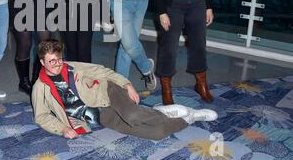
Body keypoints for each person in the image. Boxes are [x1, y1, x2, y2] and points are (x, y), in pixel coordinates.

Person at [31, 40, 218, 140]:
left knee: (133, 116)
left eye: (59, 59)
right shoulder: (40, 88)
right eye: (51, 61)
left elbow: (103, 71)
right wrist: (61, 128)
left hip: (108, 92)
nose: (57, 65)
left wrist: (127, 84)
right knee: (156, 134)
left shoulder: (72, 67)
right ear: (42, 62)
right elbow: (41, 116)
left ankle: (161, 114)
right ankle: (188, 118)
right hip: (98, 116)